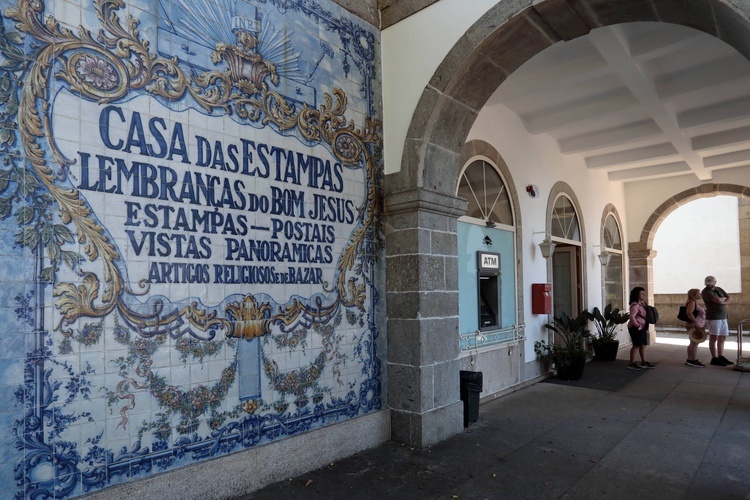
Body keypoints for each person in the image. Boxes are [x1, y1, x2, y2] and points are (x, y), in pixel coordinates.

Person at [701, 276, 733, 366]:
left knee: (722, 337)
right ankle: (714, 358)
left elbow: (729, 298)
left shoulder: (718, 289)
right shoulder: (705, 291)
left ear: (715, 282)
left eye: (711, 285)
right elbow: (717, 300)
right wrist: (723, 300)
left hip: (723, 316)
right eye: (708, 285)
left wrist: (723, 301)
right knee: (714, 337)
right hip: (713, 317)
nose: (709, 286)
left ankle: (720, 355)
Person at [626, 287, 654, 370]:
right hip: (636, 327)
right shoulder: (635, 305)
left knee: (643, 344)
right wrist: (637, 325)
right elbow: (632, 316)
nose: (644, 295)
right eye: (642, 293)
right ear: (637, 295)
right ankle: (631, 363)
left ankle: (643, 362)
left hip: (642, 326)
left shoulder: (641, 304)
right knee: (636, 345)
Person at [683, 288, 706, 367]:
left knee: (692, 342)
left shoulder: (693, 302)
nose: (700, 294)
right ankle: (692, 360)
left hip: (693, 324)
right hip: (694, 325)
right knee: (695, 343)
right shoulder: (692, 302)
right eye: (698, 293)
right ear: (694, 295)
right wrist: (696, 323)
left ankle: (690, 359)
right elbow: (689, 313)